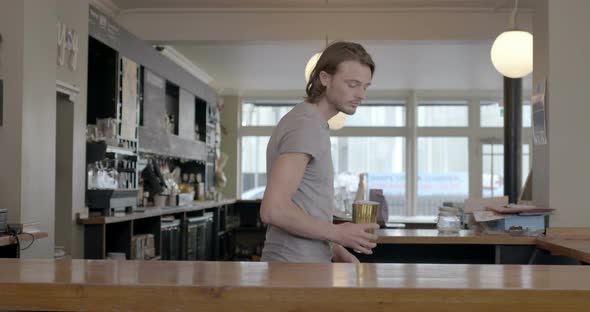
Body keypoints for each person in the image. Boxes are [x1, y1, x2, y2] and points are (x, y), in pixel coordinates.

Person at [259, 41, 378, 263]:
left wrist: (336, 249)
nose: (361, 94)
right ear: (325, 78)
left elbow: (307, 208)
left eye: (365, 86)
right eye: (353, 84)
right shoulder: (306, 125)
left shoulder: (313, 123)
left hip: (304, 265)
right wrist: (339, 233)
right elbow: (273, 210)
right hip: (292, 268)